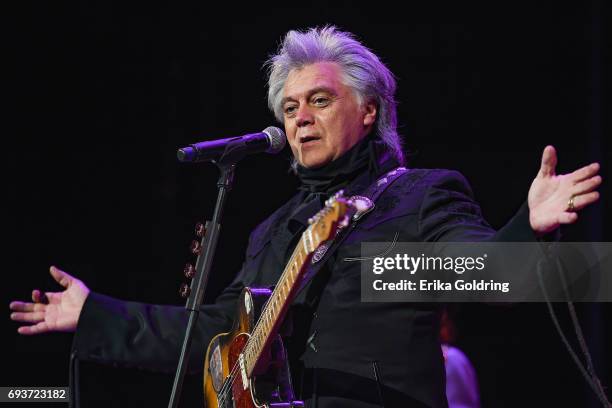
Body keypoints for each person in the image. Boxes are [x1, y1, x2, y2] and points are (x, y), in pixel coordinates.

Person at [9, 26, 601, 407]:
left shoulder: (417, 197)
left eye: (319, 100)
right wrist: (95, 315)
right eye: (290, 107)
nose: (300, 118)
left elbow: (485, 276)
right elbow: (212, 336)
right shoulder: (274, 230)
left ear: (369, 111)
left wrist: (528, 224)